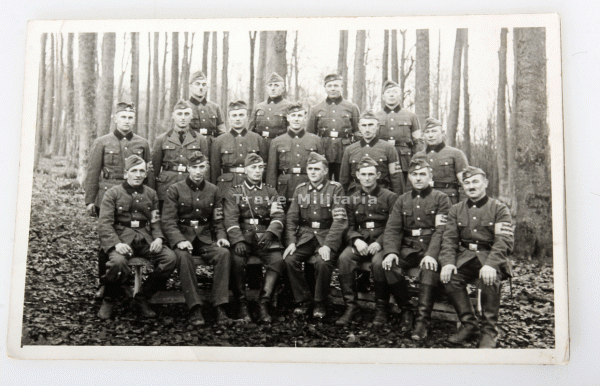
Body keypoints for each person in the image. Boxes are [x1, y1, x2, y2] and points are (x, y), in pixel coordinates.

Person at [439, 166, 514, 348]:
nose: (471, 186)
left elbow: (504, 241)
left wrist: (491, 265)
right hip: (465, 257)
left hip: (489, 256)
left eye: (475, 182)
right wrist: (448, 263)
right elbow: (449, 240)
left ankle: (489, 331)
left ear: (485, 183)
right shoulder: (456, 209)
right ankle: (469, 325)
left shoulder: (499, 209)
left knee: (491, 278)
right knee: (450, 277)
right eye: (467, 183)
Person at [84, 101, 154, 296]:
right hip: (106, 195)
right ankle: (104, 283)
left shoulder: (142, 143)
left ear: (134, 120)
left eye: (130, 117)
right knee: (106, 241)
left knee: (130, 234)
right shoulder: (102, 142)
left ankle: (124, 279)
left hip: (133, 197)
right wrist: (90, 200)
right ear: (115, 119)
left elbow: (148, 174)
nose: (127, 121)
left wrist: (150, 199)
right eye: (123, 117)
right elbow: (92, 172)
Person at [97, 155, 177, 319]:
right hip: (122, 239)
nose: (138, 175)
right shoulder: (112, 193)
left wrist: (159, 238)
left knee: (170, 258)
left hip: (145, 239)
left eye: (142, 171)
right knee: (117, 262)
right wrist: (116, 244)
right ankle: (109, 298)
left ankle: (142, 297)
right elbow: (104, 223)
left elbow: (155, 222)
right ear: (126, 173)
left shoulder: (151, 194)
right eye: (134, 171)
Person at [379, 157, 451, 338]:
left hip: (431, 246)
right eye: (414, 175)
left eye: (422, 174)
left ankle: (422, 322)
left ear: (429, 176)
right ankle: (406, 309)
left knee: (429, 268)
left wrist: (432, 254)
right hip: (409, 248)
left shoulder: (441, 198)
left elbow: (442, 230)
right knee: (388, 265)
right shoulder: (402, 200)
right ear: (409, 178)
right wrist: (391, 252)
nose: (418, 178)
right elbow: (393, 229)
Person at [161, 151, 232, 326]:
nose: (198, 171)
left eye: (201, 167)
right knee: (183, 257)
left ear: (206, 168)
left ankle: (220, 306)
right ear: (187, 168)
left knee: (223, 253)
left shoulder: (213, 190)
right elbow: (168, 221)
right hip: (183, 236)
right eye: (194, 167)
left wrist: (221, 237)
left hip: (205, 237)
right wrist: (179, 240)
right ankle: (195, 307)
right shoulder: (175, 189)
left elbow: (217, 220)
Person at [283, 152, 348, 319]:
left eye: (317, 169)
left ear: (325, 171)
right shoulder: (300, 189)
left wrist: (328, 245)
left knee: (323, 262)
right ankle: (303, 299)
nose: (312, 172)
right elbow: (291, 218)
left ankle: (319, 301)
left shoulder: (335, 188)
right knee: (290, 259)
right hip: (305, 236)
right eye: (310, 169)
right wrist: (291, 242)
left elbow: (340, 220)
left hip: (326, 236)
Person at [336, 156, 398, 325]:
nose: (367, 178)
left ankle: (381, 309)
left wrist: (380, 242)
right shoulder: (352, 198)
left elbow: (394, 226)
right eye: (363, 174)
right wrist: (355, 240)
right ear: (357, 175)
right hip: (361, 241)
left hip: (382, 241)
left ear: (378, 175)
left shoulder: (390, 197)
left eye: (371, 174)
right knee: (345, 258)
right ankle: (351, 308)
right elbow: (347, 226)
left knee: (379, 263)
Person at [224, 154, 286, 324]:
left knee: (277, 260)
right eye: (253, 167)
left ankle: (263, 303)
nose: (257, 171)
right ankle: (242, 304)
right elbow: (230, 218)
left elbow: (279, 214)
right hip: (243, 233)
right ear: (245, 170)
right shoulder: (235, 191)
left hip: (263, 234)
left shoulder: (270, 191)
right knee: (236, 260)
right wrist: (237, 240)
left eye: (260, 167)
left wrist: (271, 232)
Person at [151, 100, 211, 209]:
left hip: (190, 184)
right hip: (166, 187)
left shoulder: (200, 139)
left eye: (186, 114)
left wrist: (204, 191)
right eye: (179, 114)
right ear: (173, 116)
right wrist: (151, 193)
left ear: (191, 116)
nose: (183, 118)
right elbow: (153, 170)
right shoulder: (161, 139)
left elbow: (205, 169)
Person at [266, 102, 323, 208]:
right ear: (288, 118)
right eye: (293, 115)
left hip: (309, 185)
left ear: (305, 118)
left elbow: (323, 170)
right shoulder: (277, 141)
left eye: (300, 116)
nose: (296, 119)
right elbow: (271, 173)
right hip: (285, 189)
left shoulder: (316, 140)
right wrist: (273, 197)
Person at [306, 73, 360, 181]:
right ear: (325, 88)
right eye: (329, 86)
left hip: (344, 152)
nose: (333, 89)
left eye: (336, 85)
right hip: (323, 152)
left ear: (341, 87)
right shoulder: (316, 109)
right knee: (323, 183)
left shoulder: (352, 107)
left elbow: (358, 132)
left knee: (344, 181)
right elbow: (310, 135)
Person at [211, 100, 269, 198]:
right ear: (228, 118)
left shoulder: (257, 139)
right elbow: (214, 171)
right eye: (234, 115)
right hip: (227, 188)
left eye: (241, 115)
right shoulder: (219, 141)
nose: (238, 119)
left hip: (252, 186)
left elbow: (264, 168)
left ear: (247, 117)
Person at [339, 110, 404, 196]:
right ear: (359, 127)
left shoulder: (389, 148)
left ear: (377, 126)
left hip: (382, 194)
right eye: (364, 125)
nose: (367, 129)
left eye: (370, 125)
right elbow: (344, 180)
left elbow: (396, 179)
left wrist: (397, 202)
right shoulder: (350, 149)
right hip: (356, 195)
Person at [376, 80, 423, 185]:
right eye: (388, 92)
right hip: (382, 159)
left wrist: (415, 162)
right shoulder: (376, 116)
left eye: (395, 92)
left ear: (400, 95)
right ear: (383, 96)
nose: (392, 95)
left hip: (404, 160)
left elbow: (418, 142)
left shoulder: (411, 116)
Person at [413, 117, 469, 204]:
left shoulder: (456, 154)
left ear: (442, 133)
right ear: (423, 135)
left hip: (448, 201)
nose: (430, 135)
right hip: (423, 201)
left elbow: (465, 183)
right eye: (427, 132)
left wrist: (462, 207)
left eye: (434, 131)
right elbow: (410, 186)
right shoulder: (418, 157)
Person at [249, 72, 294, 148]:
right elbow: (250, 131)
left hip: (280, 146)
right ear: (266, 89)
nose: (273, 88)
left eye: (276, 85)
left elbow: (292, 132)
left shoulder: (289, 106)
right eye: (270, 85)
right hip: (260, 146)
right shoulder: (259, 107)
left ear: (283, 89)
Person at [188, 71, 227, 137]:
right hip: (192, 145)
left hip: (212, 145)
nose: (201, 87)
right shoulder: (185, 107)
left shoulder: (215, 107)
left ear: (206, 87)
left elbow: (222, 133)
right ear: (190, 86)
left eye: (204, 85)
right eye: (197, 84)